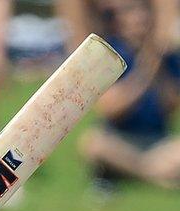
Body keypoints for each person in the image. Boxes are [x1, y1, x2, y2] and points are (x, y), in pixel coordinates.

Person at [59, 0, 180, 190]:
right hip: (120, 139)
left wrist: (159, 65)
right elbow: (110, 108)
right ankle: (152, 176)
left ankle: (137, 173)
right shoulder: (111, 54)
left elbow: (171, 105)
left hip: (156, 140)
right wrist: (144, 73)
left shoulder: (166, 56)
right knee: (93, 144)